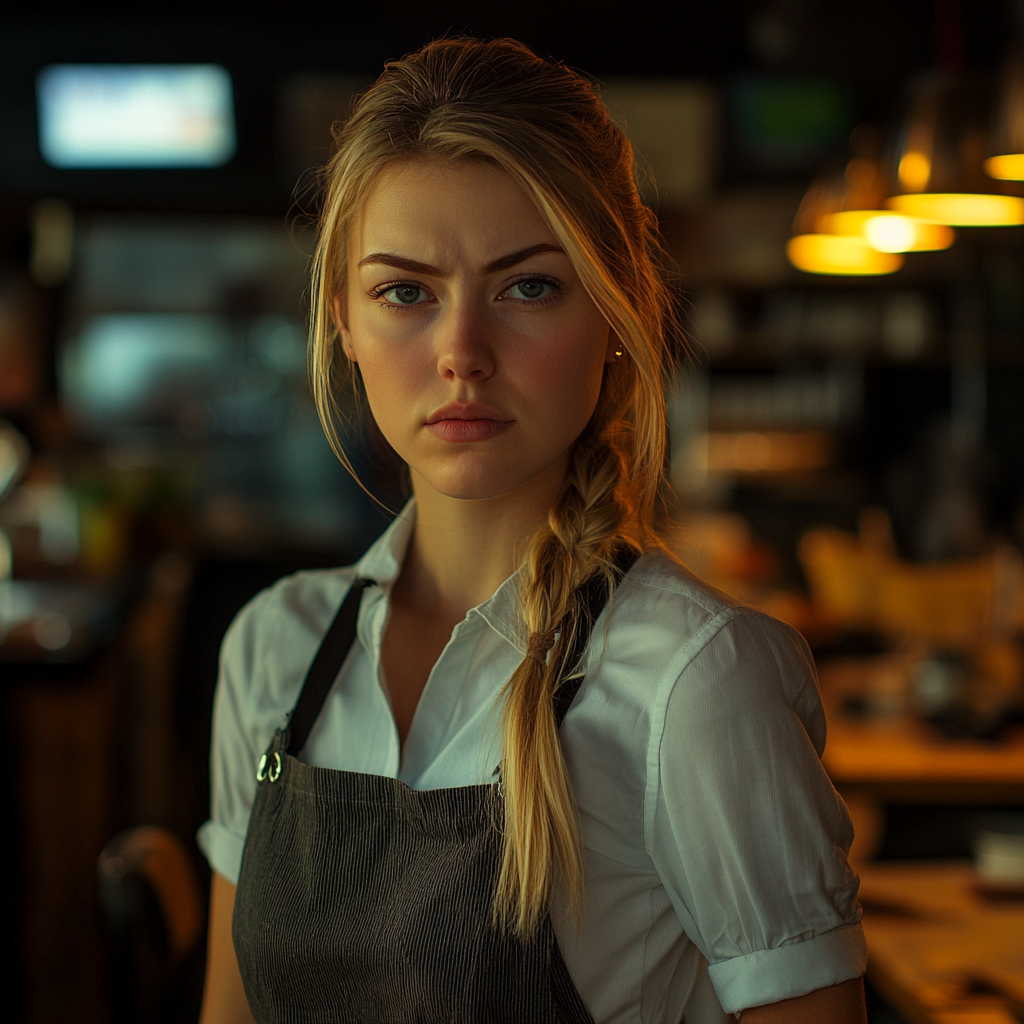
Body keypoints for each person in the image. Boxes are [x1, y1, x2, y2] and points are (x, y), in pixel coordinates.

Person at [197, 37, 867, 1024]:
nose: (461, 353)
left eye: (527, 286)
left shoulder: (694, 682)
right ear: (342, 319)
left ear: (614, 306)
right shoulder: (273, 651)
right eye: (405, 292)